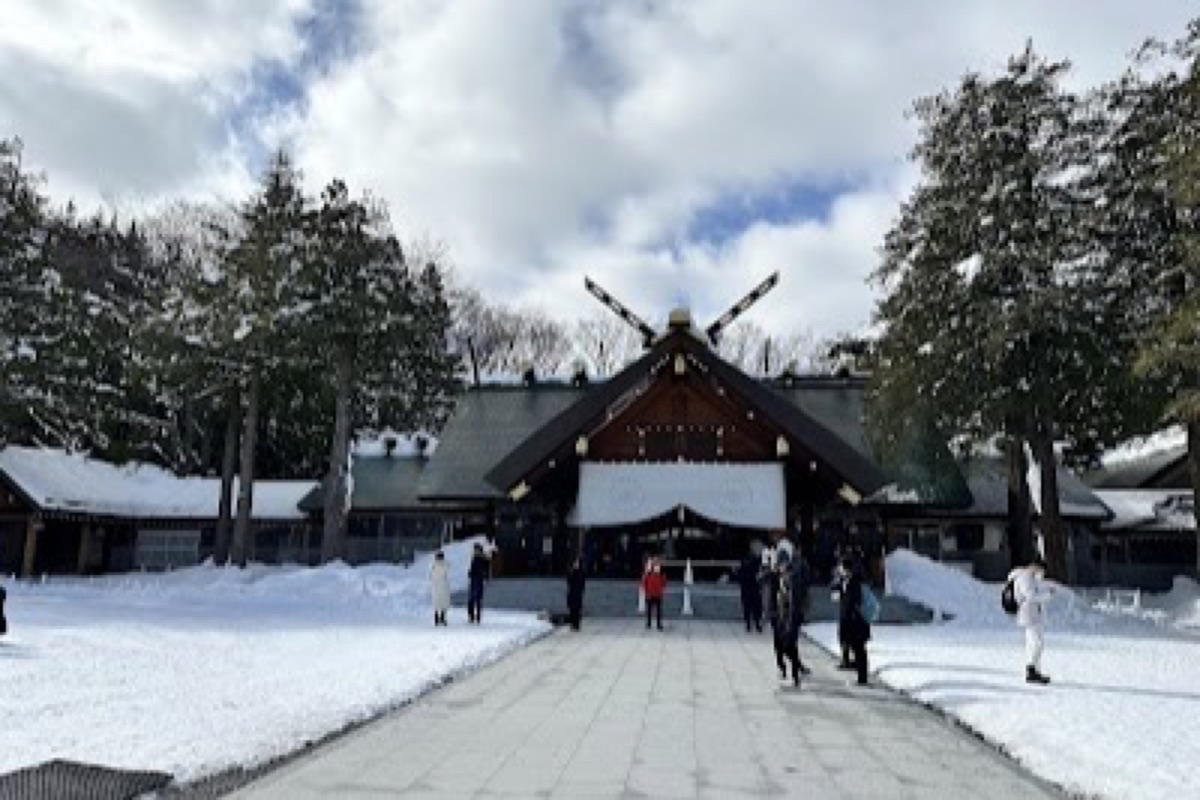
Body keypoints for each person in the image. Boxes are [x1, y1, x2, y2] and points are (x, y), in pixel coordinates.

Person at [767, 549, 811, 686]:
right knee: (779, 644)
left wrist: (791, 620)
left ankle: (795, 671)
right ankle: (785, 667)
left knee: (789, 645)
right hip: (778, 615)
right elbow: (761, 580)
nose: (781, 567)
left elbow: (794, 601)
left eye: (783, 564)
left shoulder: (792, 579)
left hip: (789, 617)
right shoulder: (775, 576)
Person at [1010, 555, 1056, 684]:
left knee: (1034, 643)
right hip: (1028, 615)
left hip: (1032, 615)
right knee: (1037, 643)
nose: (1041, 573)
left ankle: (1034, 670)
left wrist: (1045, 591)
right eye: (1041, 569)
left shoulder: (1030, 578)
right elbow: (1031, 596)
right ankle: (1031, 670)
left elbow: (1034, 592)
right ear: (1035, 566)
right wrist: (1047, 595)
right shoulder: (1025, 578)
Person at [841, 557, 871, 686]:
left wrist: (851, 617)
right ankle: (861, 676)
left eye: (841, 568)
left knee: (859, 649)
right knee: (858, 648)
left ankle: (862, 677)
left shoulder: (854, 582)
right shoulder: (854, 581)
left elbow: (854, 602)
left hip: (856, 622)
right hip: (857, 621)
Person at [830, 560, 854, 670]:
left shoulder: (854, 580)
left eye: (841, 569)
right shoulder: (841, 581)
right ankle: (846, 659)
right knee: (843, 636)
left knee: (850, 638)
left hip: (852, 614)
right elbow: (835, 597)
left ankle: (850, 660)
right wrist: (836, 581)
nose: (840, 571)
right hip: (844, 613)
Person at [737, 547, 764, 633]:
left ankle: (748, 624)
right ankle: (757, 624)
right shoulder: (756, 562)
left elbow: (740, 576)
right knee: (756, 607)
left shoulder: (743, 563)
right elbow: (759, 574)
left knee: (747, 607)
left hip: (746, 588)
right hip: (754, 588)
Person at [467, 543, 489, 624]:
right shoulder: (478, 558)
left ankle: (474, 616)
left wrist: (472, 573)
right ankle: (474, 616)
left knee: (474, 599)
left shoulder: (480, 558)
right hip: (476, 579)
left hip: (477, 579)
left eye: (475, 549)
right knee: (476, 599)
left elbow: (483, 569)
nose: (474, 551)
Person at [642, 557, 666, 631]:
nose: (656, 564)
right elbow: (644, 583)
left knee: (659, 611)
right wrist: (646, 592)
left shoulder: (661, 573)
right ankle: (648, 623)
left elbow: (664, 583)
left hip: (658, 594)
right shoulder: (648, 573)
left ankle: (659, 625)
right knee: (649, 610)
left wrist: (661, 591)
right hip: (650, 594)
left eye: (657, 562)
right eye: (654, 562)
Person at [430, 551, 450, 626]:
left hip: (436, 585)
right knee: (444, 602)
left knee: (436, 602)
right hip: (444, 585)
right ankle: (442, 617)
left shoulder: (434, 565)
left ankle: (436, 616)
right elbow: (447, 567)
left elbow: (431, 574)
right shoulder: (445, 564)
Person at [566, 558, 587, 631]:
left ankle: (576, 624)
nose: (576, 565)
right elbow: (569, 581)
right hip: (572, 592)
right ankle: (572, 624)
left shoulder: (581, 573)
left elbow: (582, 583)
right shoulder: (571, 572)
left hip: (577, 592)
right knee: (572, 609)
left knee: (577, 609)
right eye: (575, 563)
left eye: (577, 563)